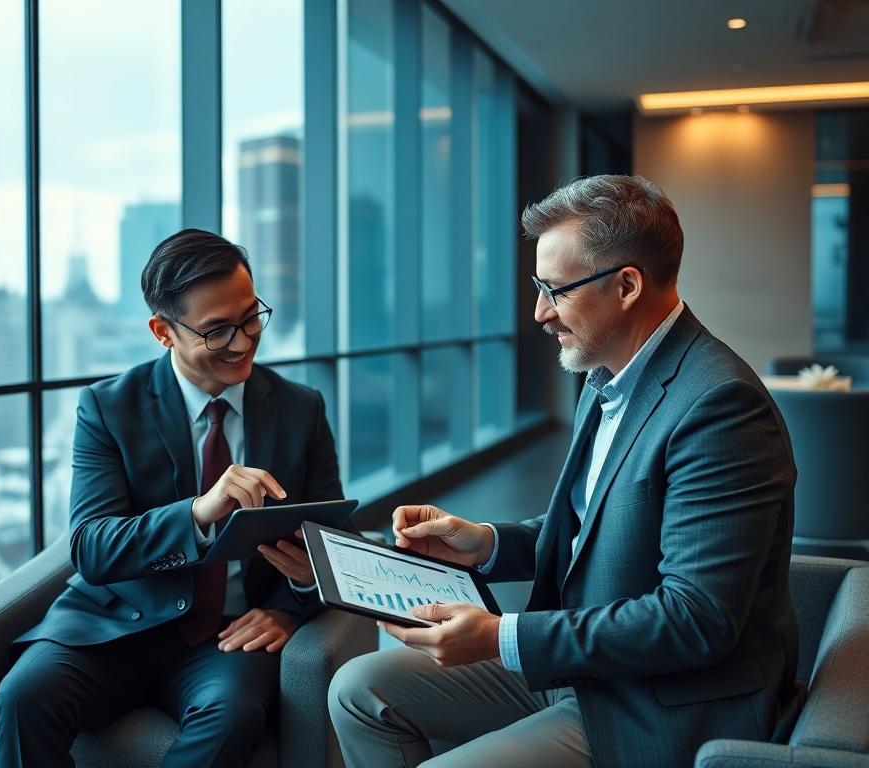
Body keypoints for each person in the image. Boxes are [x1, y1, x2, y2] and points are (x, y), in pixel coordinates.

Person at [329, 175, 803, 768]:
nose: (538, 312)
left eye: (554, 289)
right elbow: (598, 528)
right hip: (584, 666)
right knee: (358, 690)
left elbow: (697, 620)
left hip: (659, 703)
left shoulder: (721, 407)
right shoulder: (607, 374)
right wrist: (486, 544)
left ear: (627, 285)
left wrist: (502, 637)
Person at [0, 228, 342, 767]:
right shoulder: (108, 407)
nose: (243, 342)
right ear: (162, 332)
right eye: (217, 330)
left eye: (251, 317)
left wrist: (290, 602)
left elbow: (333, 539)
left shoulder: (301, 409)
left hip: (228, 637)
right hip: (113, 625)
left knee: (233, 718)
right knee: (20, 701)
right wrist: (200, 513)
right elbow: (93, 548)